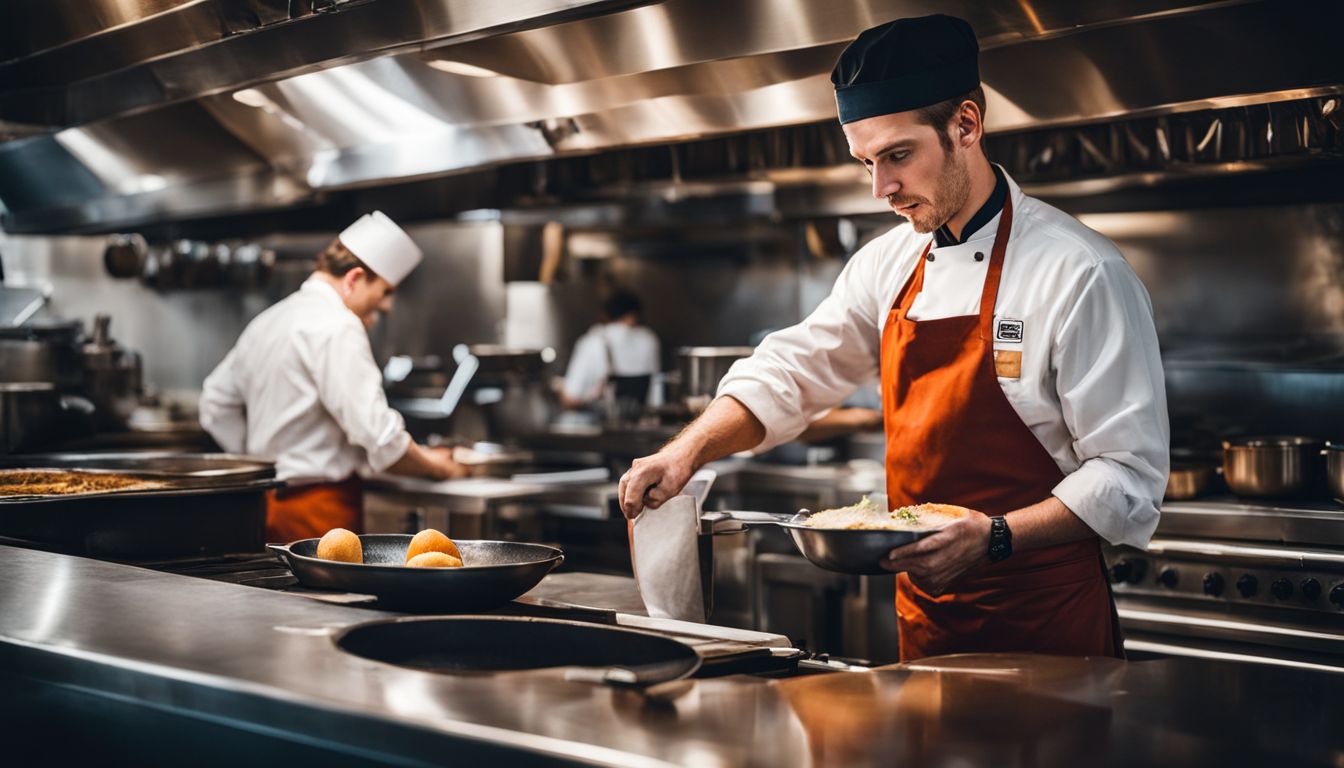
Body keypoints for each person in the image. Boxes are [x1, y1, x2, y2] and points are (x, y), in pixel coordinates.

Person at [618, 15, 1169, 661]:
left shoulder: (1079, 270)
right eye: (865, 163)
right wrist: (687, 454)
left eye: (898, 155)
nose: (882, 189)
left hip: (1045, 623)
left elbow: (1128, 477)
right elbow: (794, 371)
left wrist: (992, 536)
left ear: (966, 125)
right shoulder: (889, 263)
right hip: (926, 619)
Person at [200, 211, 467, 543]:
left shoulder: (269, 320)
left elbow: (214, 401)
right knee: (324, 596)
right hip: (320, 516)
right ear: (354, 278)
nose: (385, 308)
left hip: (266, 507)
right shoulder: (338, 325)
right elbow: (383, 440)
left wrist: (263, 461)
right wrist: (439, 467)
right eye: (383, 292)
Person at [558, 290, 661, 418]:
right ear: (633, 316)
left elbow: (570, 398)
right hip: (642, 426)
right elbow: (656, 394)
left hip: (600, 430)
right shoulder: (650, 340)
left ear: (605, 315)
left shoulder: (594, 340)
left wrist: (559, 388)